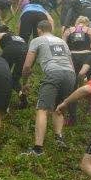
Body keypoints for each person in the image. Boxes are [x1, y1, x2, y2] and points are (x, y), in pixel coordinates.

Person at [18, 18, 76, 156]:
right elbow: (71, 64)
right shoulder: (62, 42)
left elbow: (27, 66)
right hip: (70, 74)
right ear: (51, 29)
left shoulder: (37, 40)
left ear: (39, 30)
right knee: (59, 108)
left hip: (53, 73)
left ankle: (38, 149)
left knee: (42, 109)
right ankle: (59, 139)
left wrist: (24, 82)